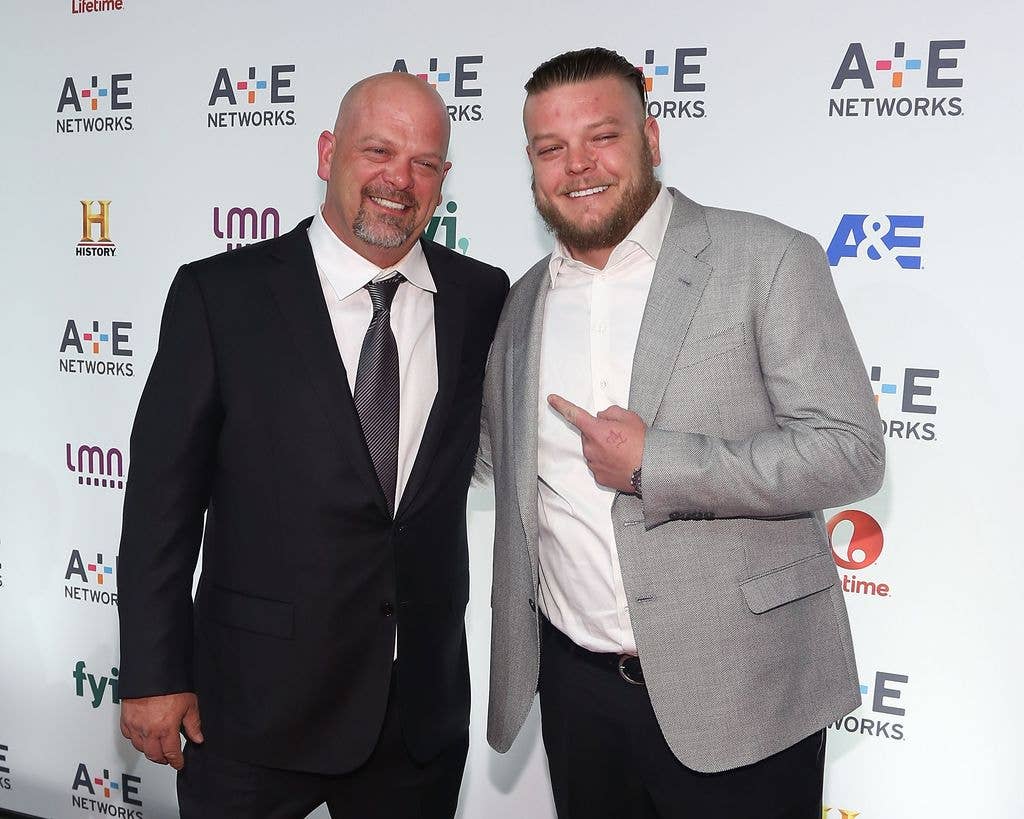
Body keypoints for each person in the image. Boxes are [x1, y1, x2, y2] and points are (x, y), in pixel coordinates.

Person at [481, 47, 884, 818]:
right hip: (576, 695)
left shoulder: (766, 259)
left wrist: (657, 463)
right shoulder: (520, 303)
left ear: (651, 138)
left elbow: (850, 449)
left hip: (744, 693)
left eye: (602, 136)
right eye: (550, 149)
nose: (577, 166)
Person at [117, 71, 508, 818]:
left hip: (415, 713)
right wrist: (152, 670)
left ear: (444, 179)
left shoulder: (481, 296)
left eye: (424, 162)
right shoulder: (220, 296)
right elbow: (161, 503)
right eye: (378, 150)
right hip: (250, 708)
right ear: (328, 152)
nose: (400, 178)